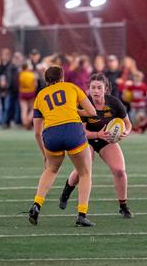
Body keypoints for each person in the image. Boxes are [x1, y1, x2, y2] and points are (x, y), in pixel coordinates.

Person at [28, 66, 97, 227]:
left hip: (51, 134)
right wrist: (74, 110)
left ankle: (36, 204)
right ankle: (82, 214)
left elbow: (37, 132)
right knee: (85, 172)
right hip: (73, 130)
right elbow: (92, 112)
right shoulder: (71, 87)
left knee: (51, 169)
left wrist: (44, 153)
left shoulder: (40, 96)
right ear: (62, 77)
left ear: (46, 81)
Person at [58, 73, 133, 218]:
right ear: (89, 89)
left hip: (107, 140)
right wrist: (98, 134)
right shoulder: (84, 104)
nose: (96, 91)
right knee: (83, 170)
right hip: (87, 139)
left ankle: (123, 206)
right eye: (93, 87)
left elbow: (128, 124)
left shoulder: (114, 103)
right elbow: (81, 131)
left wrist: (125, 132)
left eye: (99, 87)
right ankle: (66, 191)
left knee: (120, 171)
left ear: (105, 89)